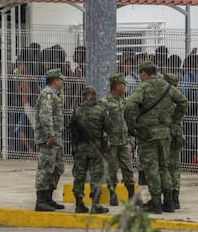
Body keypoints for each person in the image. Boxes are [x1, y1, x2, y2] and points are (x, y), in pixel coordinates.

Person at [124, 61, 188, 214]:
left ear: (144, 73)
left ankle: (156, 203)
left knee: (152, 168)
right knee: (164, 167)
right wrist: (173, 120)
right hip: (165, 133)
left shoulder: (144, 87)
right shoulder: (167, 86)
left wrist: (133, 127)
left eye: (140, 74)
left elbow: (129, 106)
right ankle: (169, 202)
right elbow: (183, 102)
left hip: (148, 134)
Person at [69, 86, 109, 214]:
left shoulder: (77, 110)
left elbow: (72, 129)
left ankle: (79, 203)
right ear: (94, 96)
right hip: (95, 148)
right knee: (96, 175)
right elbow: (108, 127)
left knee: (79, 175)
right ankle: (96, 205)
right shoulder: (100, 110)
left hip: (80, 148)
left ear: (83, 96)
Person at [100, 73, 135, 206]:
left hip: (124, 140)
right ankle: (113, 195)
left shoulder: (124, 101)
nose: (125, 86)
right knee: (112, 169)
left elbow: (129, 121)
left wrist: (131, 137)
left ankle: (131, 195)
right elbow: (101, 123)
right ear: (116, 86)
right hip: (111, 142)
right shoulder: (105, 102)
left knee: (128, 168)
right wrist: (105, 140)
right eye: (123, 84)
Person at [34, 68, 66, 212]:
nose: (62, 82)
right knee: (46, 168)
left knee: (57, 168)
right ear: (55, 81)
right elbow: (45, 116)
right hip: (49, 139)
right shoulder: (48, 94)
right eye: (61, 79)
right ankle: (40, 201)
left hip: (56, 139)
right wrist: (50, 135)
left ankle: (48, 198)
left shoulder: (54, 94)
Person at [163, 72, 187, 209]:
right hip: (177, 134)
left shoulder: (166, 100)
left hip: (169, 135)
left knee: (166, 166)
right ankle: (175, 197)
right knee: (175, 167)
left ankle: (170, 197)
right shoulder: (178, 100)